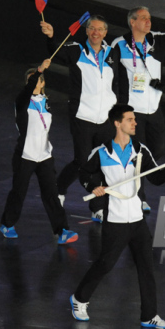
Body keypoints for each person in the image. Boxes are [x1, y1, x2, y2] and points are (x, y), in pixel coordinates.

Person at [69, 104, 165, 329]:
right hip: (115, 220)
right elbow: (83, 173)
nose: (134, 123)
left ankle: (149, 315)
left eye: (134, 119)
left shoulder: (140, 150)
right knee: (105, 264)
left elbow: (156, 178)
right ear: (117, 123)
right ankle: (79, 299)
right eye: (130, 119)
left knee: (146, 268)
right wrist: (94, 186)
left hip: (138, 221)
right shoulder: (101, 152)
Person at [111, 0, 165, 212]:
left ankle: (133, 177)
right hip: (133, 112)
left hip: (154, 110)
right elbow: (110, 74)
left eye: (149, 18)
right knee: (139, 155)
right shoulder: (119, 44)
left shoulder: (156, 41)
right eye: (143, 18)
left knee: (156, 150)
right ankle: (138, 197)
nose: (148, 22)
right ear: (132, 22)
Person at [41, 16, 127, 222]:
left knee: (102, 163)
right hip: (83, 117)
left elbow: (116, 83)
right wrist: (51, 37)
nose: (95, 33)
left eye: (100, 29)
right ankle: (59, 189)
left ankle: (97, 207)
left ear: (105, 33)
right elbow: (56, 53)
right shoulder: (76, 50)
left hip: (106, 119)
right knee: (82, 161)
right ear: (87, 31)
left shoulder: (112, 53)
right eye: (92, 29)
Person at [0, 58, 78, 245]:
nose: (34, 82)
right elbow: (26, 93)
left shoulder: (45, 102)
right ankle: (7, 224)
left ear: (43, 84)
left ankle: (62, 230)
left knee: (51, 193)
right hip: (25, 155)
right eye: (31, 79)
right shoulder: (22, 102)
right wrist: (39, 70)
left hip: (44, 155)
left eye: (39, 79)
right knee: (19, 191)